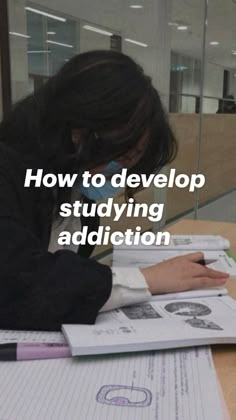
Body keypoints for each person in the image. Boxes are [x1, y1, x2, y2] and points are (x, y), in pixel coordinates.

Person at [0, 50, 228, 331]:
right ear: (79, 131)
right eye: (126, 157)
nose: (122, 175)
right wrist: (144, 279)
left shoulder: (75, 189)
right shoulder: (9, 173)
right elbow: (18, 281)